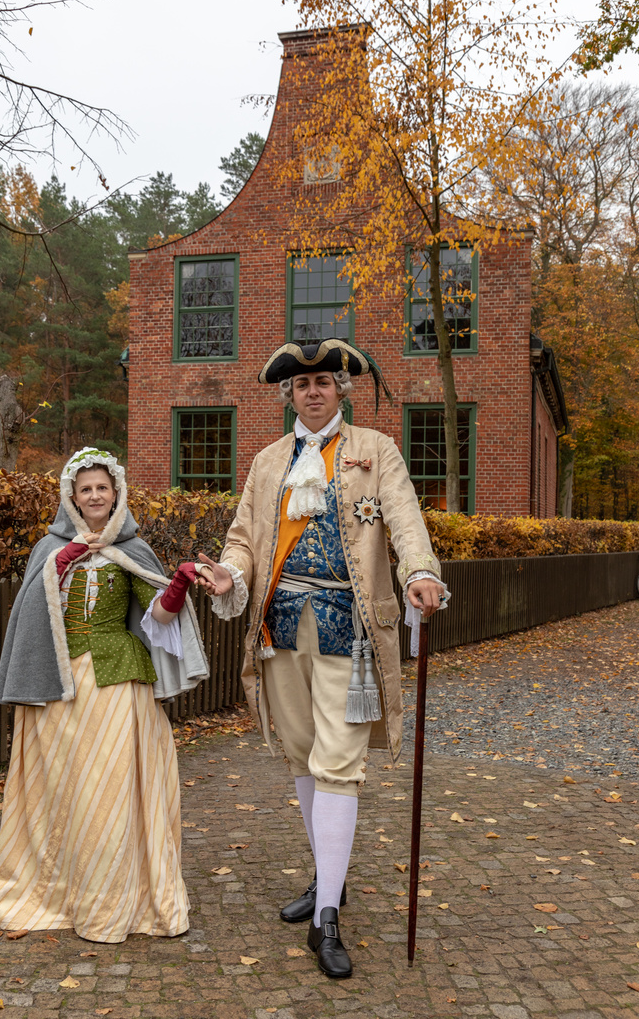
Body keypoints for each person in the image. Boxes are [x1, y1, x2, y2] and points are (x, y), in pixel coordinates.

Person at [200, 340, 448, 979]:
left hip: (349, 625)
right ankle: (326, 880)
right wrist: (231, 574)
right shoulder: (267, 462)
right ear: (289, 394)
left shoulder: (375, 449)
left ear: (341, 389)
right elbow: (243, 539)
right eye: (301, 384)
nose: (312, 392)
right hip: (280, 626)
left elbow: (405, 517)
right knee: (303, 754)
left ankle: (326, 917)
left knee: (339, 762)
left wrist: (419, 571)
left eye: (322, 382)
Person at [0, 447, 210, 943]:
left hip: (118, 682)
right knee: (64, 785)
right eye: (85, 488)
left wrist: (174, 587)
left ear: (116, 496)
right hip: (61, 682)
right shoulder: (47, 548)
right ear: (72, 496)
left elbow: (155, 618)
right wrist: (66, 557)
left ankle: (116, 897)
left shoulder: (132, 548)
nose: (94, 496)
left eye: (102, 488)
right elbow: (33, 609)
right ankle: (61, 889)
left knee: (112, 785)